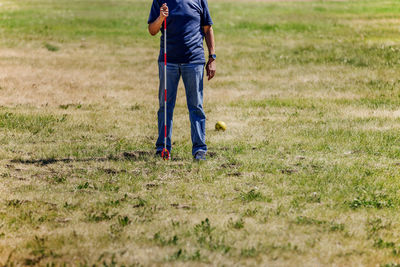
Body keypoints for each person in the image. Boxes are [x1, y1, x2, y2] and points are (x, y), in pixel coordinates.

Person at [148, 0, 216, 161]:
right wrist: (160, 18)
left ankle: (199, 150)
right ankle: (163, 148)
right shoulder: (161, 0)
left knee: (196, 106)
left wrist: (212, 57)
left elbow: (207, 28)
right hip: (168, 61)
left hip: (194, 61)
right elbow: (152, 30)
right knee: (165, 106)